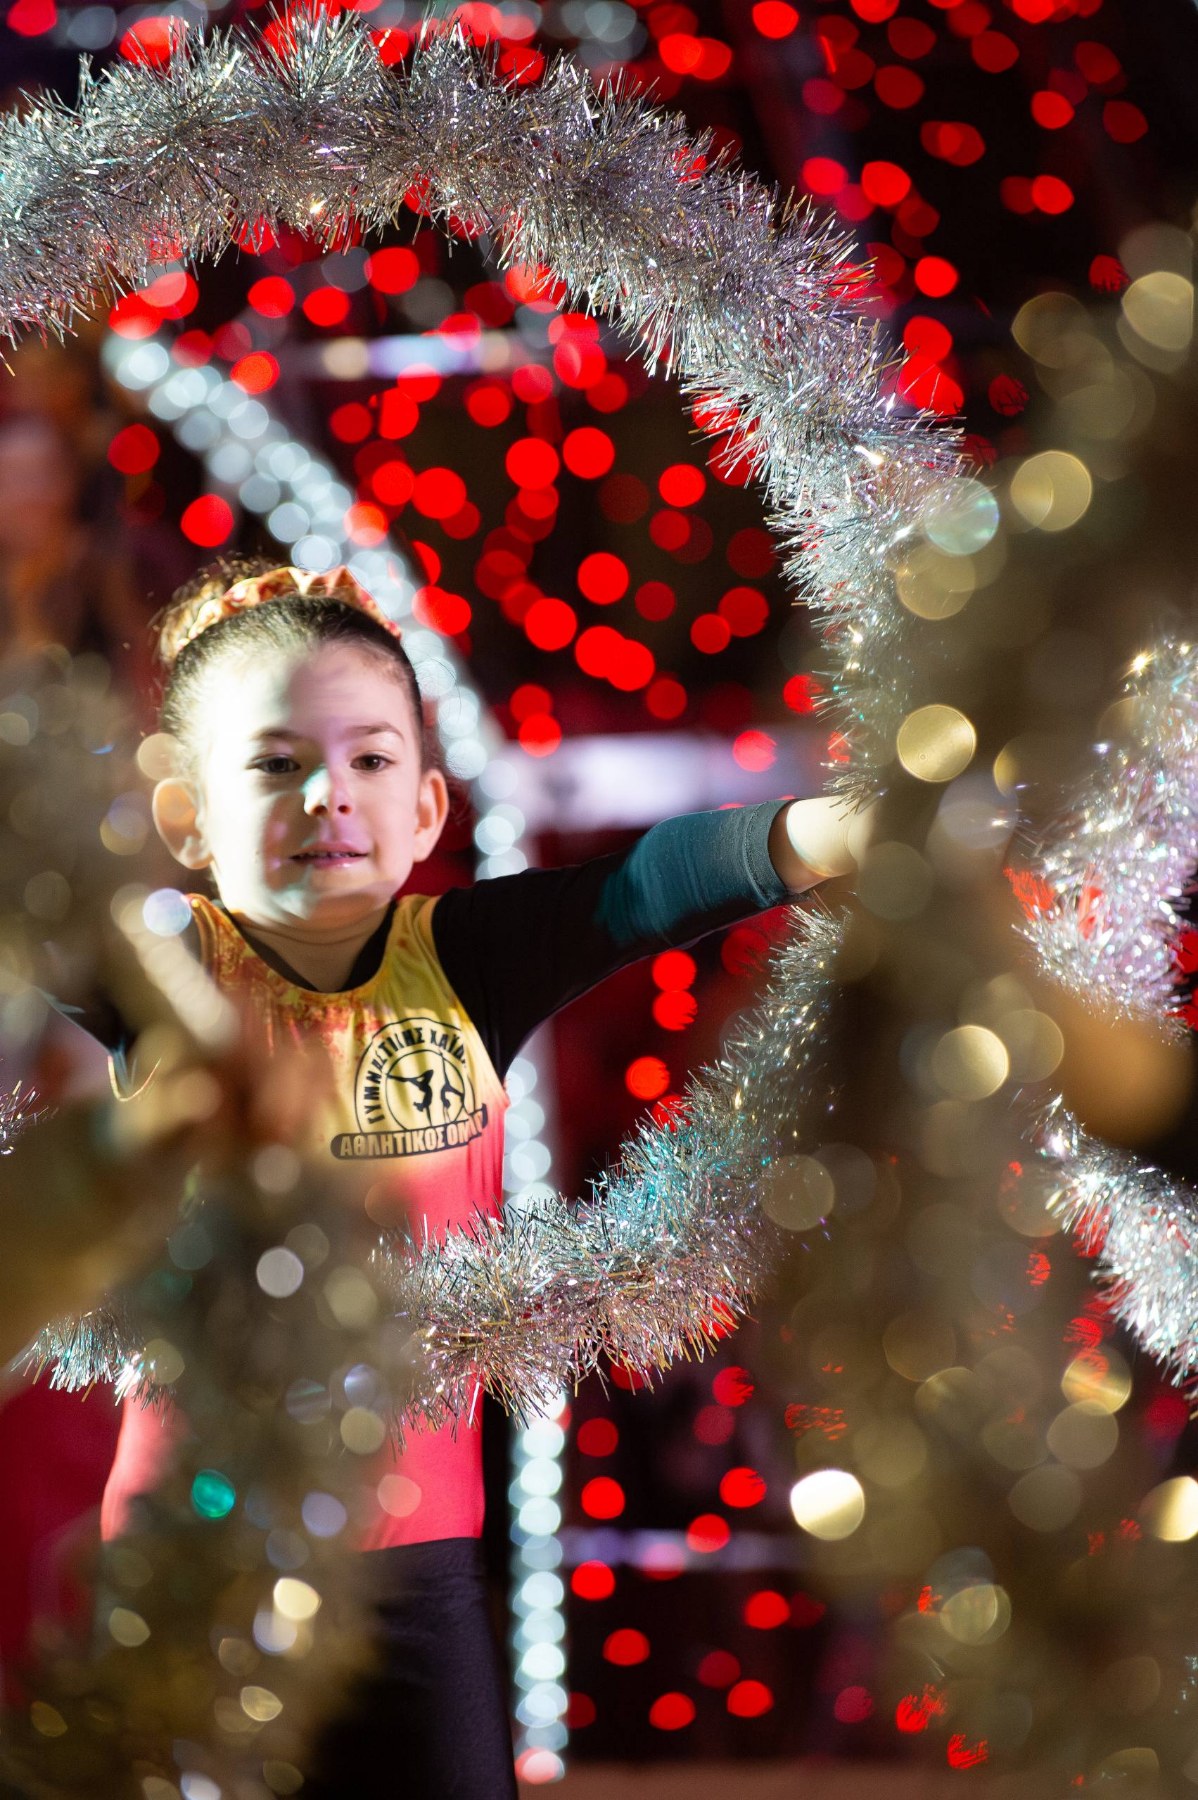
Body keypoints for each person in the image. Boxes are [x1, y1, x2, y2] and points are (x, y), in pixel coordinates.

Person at [69, 557, 867, 1799]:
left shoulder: (467, 959)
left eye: (371, 760)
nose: (329, 793)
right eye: (274, 764)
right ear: (183, 816)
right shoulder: (164, 969)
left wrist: (836, 832)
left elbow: (649, 887)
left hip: (418, 1571)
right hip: (196, 1566)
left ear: (429, 807)